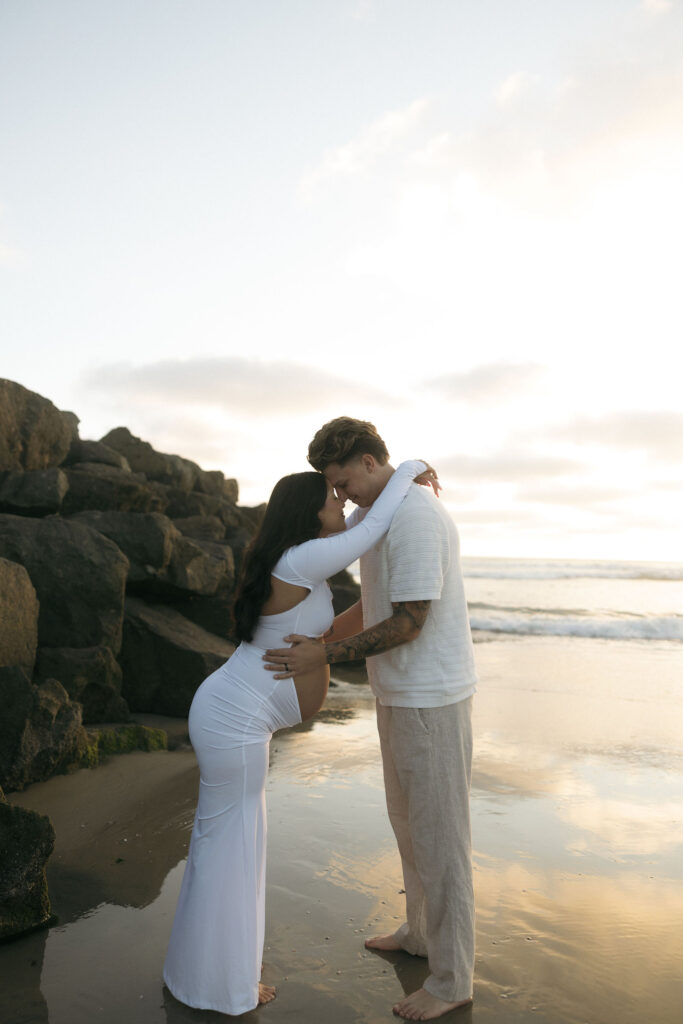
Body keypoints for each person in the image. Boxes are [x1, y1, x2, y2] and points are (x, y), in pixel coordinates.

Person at [162, 456, 434, 1016]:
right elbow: (373, 528)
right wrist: (409, 469)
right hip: (233, 717)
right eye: (333, 496)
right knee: (230, 851)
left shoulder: (295, 564)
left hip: (235, 716)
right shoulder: (302, 556)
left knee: (230, 847)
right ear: (308, 511)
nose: (342, 502)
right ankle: (223, 988)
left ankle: (207, 972)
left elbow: (334, 618)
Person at [264, 417, 477, 1022]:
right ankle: (419, 935)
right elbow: (377, 600)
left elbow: (411, 620)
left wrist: (323, 654)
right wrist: (329, 629)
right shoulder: (378, 514)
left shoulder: (415, 517)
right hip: (398, 694)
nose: (340, 495)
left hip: (432, 699)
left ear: (366, 460)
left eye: (342, 481)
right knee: (409, 827)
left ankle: (452, 976)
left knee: (443, 842)